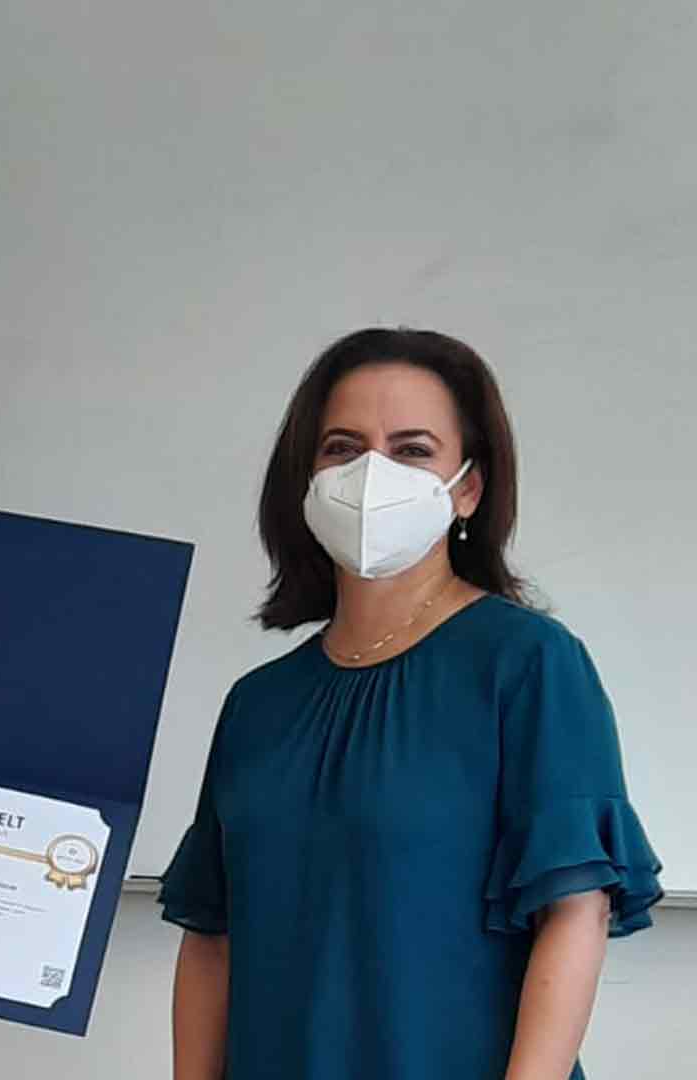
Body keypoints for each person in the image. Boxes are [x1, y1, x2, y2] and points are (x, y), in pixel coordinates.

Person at [160, 328, 664, 1080]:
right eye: (341, 447)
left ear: (467, 485)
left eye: (412, 449)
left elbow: (575, 912)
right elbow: (212, 939)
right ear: (304, 476)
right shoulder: (258, 704)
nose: (371, 473)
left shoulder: (527, 663)